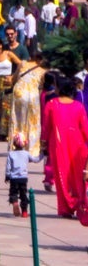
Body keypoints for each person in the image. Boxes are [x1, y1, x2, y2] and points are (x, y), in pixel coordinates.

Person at [44, 73, 88, 225]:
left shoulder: (52, 104)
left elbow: (46, 127)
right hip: (79, 147)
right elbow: (85, 129)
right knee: (77, 177)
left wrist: (43, 143)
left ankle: (66, 208)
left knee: (62, 175)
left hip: (59, 145)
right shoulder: (79, 106)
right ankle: (80, 206)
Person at [6, 132, 32, 218]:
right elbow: (35, 159)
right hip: (23, 178)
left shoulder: (11, 154)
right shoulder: (26, 154)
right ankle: (24, 212)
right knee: (23, 194)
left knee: (13, 192)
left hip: (14, 178)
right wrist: (43, 154)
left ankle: (15, 202)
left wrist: (7, 175)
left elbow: (8, 166)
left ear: (14, 143)